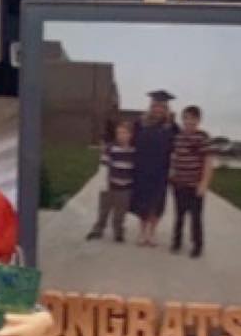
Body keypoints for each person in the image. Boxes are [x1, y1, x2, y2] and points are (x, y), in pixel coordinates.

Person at [129, 89, 177, 248]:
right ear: (151, 106)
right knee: (142, 202)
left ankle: (152, 233)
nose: (158, 109)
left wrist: (174, 169)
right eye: (155, 106)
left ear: (166, 108)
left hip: (161, 170)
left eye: (162, 106)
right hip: (141, 168)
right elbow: (131, 143)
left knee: (157, 203)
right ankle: (143, 232)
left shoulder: (172, 126)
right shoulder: (140, 123)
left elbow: (178, 148)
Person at [169, 104, 215, 258]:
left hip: (195, 186)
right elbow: (174, 157)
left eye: (192, 119)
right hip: (179, 184)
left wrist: (204, 184)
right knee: (179, 215)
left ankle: (197, 245)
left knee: (195, 218)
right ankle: (176, 242)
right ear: (183, 119)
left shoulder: (202, 137)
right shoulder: (178, 137)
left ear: (198, 120)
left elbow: (208, 162)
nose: (189, 122)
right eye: (186, 118)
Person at [86, 118, 136, 242]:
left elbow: (136, 169)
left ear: (130, 135)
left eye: (125, 133)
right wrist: (103, 183)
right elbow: (103, 166)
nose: (122, 136)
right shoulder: (110, 148)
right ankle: (98, 229)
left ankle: (118, 232)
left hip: (125, 188)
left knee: (120, 213)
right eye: (119, 133)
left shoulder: (134, 151)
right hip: (109, 185)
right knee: (104, 210)